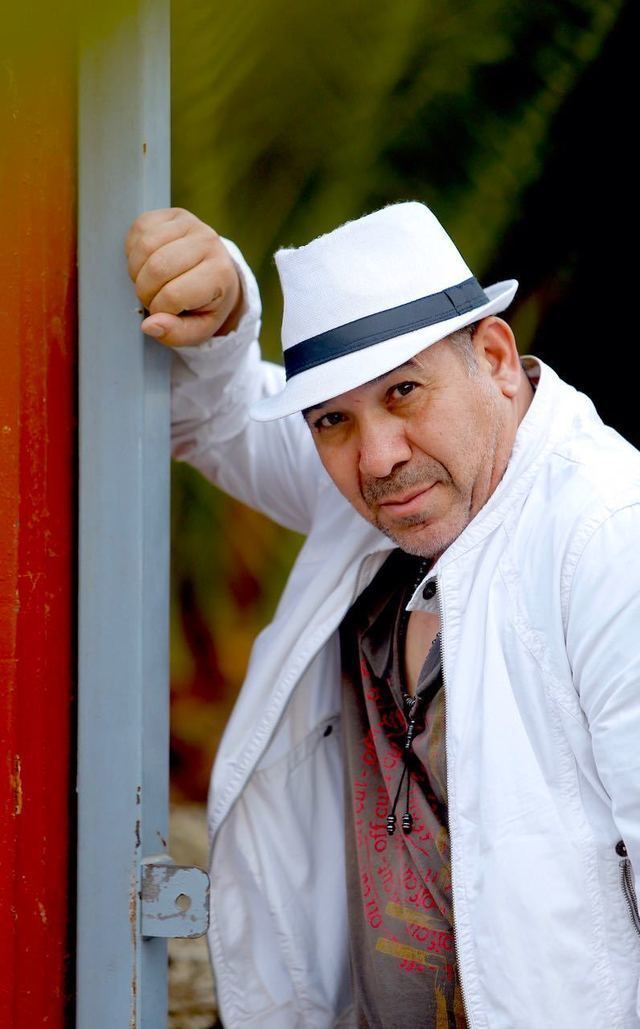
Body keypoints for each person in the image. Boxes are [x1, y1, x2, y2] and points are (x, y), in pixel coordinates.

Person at [126, 202, 640, 1029]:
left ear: (495, 357)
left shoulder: (608, 536)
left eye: (404, 391)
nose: (377, 458)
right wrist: (222, 309)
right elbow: (216, 417)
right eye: (332, 419)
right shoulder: (392, 494)